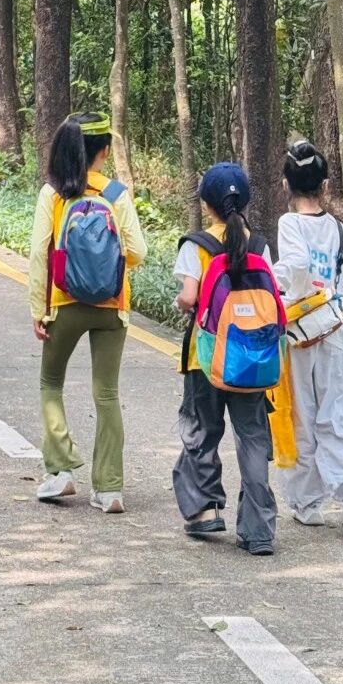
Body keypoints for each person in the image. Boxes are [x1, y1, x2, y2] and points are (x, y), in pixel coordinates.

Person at [28, 114, 147, 515]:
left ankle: (60, 469)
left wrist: (38, 309)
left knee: (51, 383)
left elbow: (39, 253)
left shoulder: (54, 193)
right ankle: (110, 489)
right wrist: (107, 260)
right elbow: (138, 251)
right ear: (105, 151)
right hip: (112, 306)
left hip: (64, 302)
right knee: (107, 394)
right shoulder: (116, 193)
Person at [172, 161, 279, 555]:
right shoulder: (260, 245)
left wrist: (184, 303)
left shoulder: (197, 245)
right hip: (252, 361)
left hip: (206, 359)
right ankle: (258, 530)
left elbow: (188, 296)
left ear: (207, 205)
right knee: (252, 438)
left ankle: (204, 510)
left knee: (201, 431)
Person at [272, 141, 343, 529]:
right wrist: (333, 309)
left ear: (286, 185)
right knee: (332, 414)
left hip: (299, 335)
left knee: (301, 415)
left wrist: (273, 286)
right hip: (335, 331)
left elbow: (296, 265)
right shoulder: (340, 231)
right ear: (325, 185)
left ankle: (307, 504)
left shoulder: (290, 223)